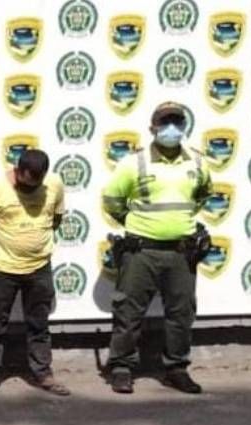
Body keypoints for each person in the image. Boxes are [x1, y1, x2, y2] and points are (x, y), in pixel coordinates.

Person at [102, 102, 212, 395]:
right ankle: (122, 368)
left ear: (185, 126)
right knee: (128, 312)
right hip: (141, 252)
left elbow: (202, 196)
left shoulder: (198, 163)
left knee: (181, 313)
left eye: (177, 121)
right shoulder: (133, 163)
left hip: (181, 253)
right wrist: (138, 224)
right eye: (165, 122)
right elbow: (112, 200)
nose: (171, 128)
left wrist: (178, 224)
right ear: (153, 128)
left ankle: (176, 368)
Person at [0, 149, 70, 397]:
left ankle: (43, 373)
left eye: (37, 183)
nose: (32, 188)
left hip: (39, 268)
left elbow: (56, 218)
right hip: (3, 269)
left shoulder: (54, 185)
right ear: (17, 171)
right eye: (26, 184)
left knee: (39, 324)